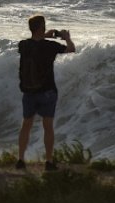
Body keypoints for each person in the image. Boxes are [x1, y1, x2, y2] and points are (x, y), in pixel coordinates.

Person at [15, 15, 75, 171]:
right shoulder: (51, 46)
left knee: (26, 125)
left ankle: (20, 160)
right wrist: (66, 37)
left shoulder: (23, 45)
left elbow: (34, 42)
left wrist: (44, 34)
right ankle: (49, 161)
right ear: (42, 27)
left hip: (28, 92)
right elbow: (71, 49)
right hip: (47, 91)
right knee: (48, 126)